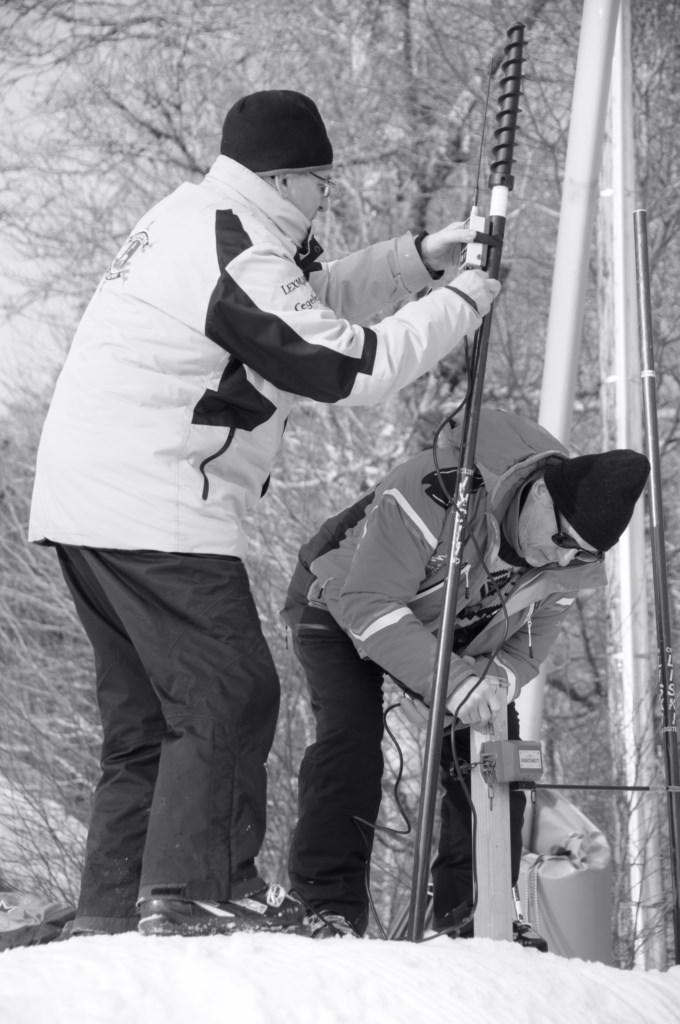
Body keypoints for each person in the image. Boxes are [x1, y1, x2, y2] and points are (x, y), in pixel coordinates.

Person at [28, 89, 501, 939]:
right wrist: (462, 303)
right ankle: (203, 891)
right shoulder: (235, 246)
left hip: (86, 499)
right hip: (154, 500)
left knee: (151, 719)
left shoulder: (203, 219)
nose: (326, 197)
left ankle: (114, 907)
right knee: (229, 691)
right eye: (321, 181)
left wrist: (418, 262)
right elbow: (345, 366)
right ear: (284, 178)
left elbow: (303, 303)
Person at [282, 407, 650, 938]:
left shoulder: (569, 568)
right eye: (563, 540)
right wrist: (453, 682)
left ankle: (476, 920)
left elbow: (523, 654)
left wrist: (490, 685)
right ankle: (326, 907)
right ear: (540, 494)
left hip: (449, 634)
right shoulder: (435, 492)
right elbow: (368, 603)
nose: (562, 559)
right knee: (352, 739)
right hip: (341, 598)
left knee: (497, 759)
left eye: (581, 555)